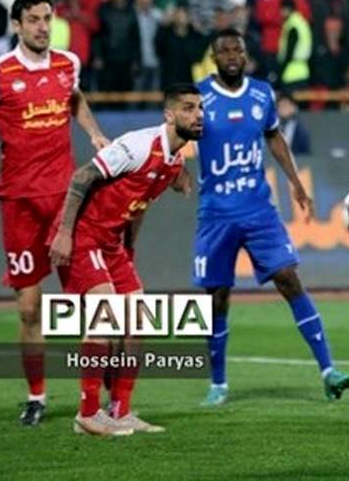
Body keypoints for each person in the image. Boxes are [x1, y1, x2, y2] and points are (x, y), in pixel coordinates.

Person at [0, 0, 109, 426]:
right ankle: (37, 395)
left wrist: (94, 133)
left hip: (65, 201)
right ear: (16, 26)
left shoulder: (67, 64)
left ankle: (96, 396)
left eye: (47, 18)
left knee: (93, 299)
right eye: (34, 20)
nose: (43, 27)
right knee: (28, 308)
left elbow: (75, 100)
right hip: (20, 204)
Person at [193, 29, 349, 406]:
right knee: (217, 297)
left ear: (246, 55)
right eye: (224, 51)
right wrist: (175, 171)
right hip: (216, 213)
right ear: (214, 58)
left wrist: (295, 182)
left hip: (258, 210)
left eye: (238, 50)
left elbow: (274, 137)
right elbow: (178, 136)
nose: (232, 56)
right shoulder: (199, 97)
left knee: (288, 278)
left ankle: (329, 371)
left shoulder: (262, 94)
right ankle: (218, 384)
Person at [46, 84, 203, 436]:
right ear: (169, 115)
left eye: (200, 108)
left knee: (138, 320)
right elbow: (82, 177)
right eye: (189, 108)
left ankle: (120, 410)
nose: (198, 115)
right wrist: (65, 233)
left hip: (110, 243)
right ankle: (87, 413)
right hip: (82, 234)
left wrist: (128, 250)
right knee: (106, 313)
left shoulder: (174, 161)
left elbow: (138, 206)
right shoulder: (138, 145)